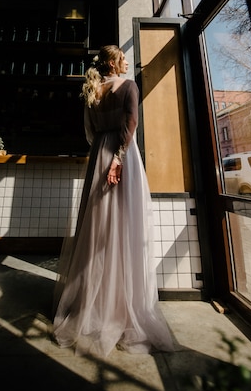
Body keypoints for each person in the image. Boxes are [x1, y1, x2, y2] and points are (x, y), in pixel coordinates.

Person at [52, 45, 174, 357]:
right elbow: (131, 123)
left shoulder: (93, 90)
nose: (125, 62)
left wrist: (102, 154)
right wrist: (118, 157)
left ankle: (95, 303)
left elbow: (90, 133)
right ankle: (121, 305)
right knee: (125, 225)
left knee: (98, 228)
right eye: (121, 58)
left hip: (99, 156)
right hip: (122, 156)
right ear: (113, 62)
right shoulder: (128, 86)